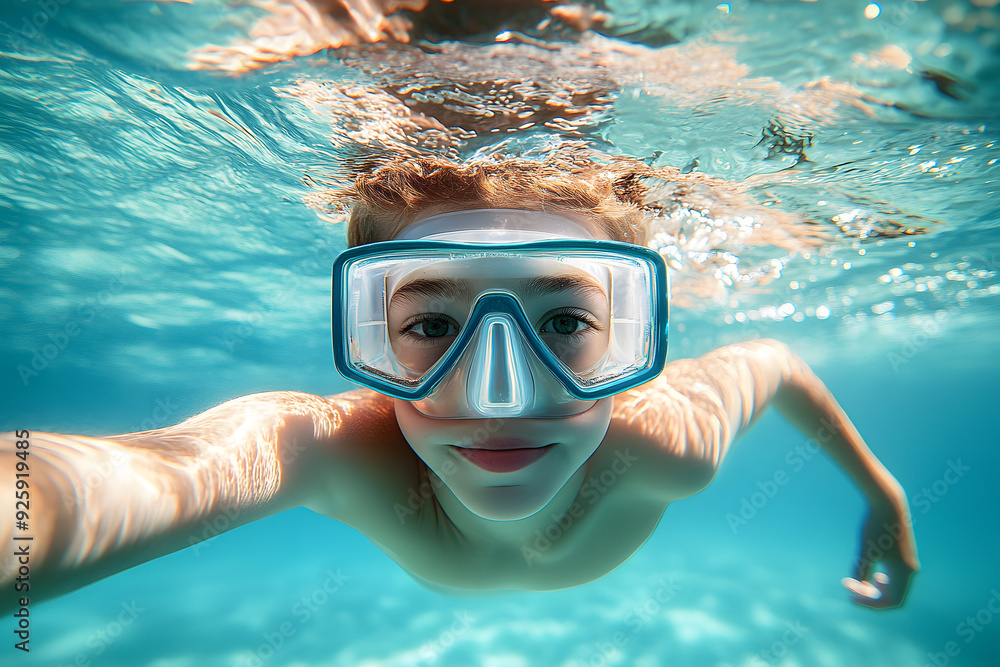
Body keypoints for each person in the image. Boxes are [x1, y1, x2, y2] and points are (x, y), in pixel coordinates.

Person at [0, 157, 918, 613]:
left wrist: (885, 493)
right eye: (433, 327)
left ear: (632, 337)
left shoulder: (669, 438)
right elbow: (105, 485)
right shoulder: (335, 451)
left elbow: (777, 361)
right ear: (373, 337)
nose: (499, 397)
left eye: (566, 323)